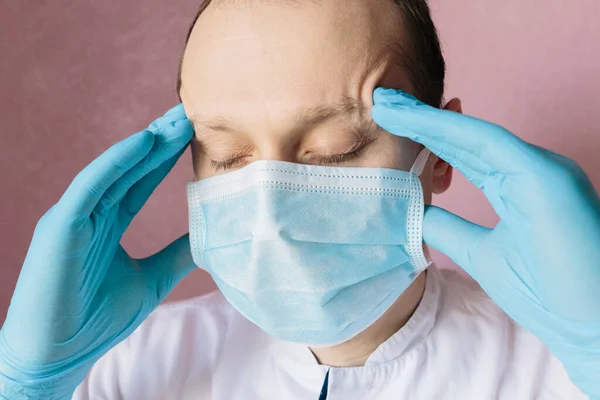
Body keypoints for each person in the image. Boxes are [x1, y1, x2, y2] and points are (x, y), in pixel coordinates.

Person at [1, 0, 599, 398]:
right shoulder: (125, 371)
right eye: (229, 154)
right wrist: (26, 389)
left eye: (335, 149)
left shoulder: (560, 370)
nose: (271, 208)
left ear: (439, 154)